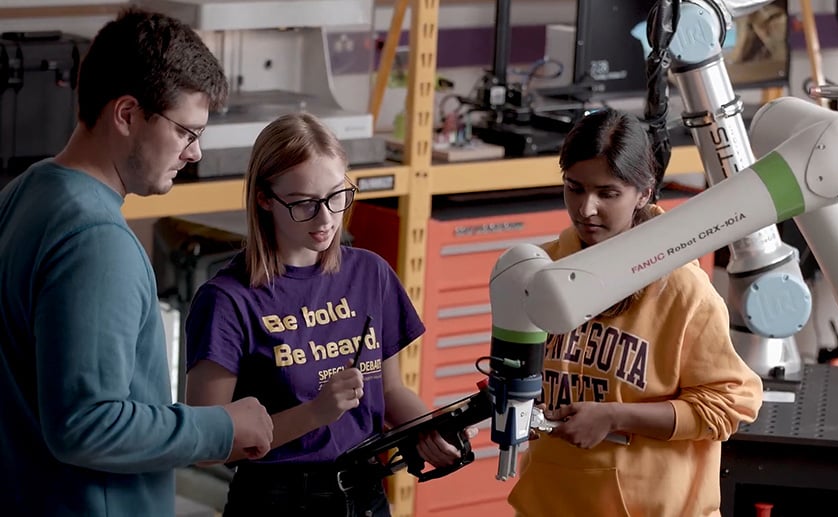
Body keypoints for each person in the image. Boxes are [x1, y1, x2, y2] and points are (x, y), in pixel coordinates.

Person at [0, 8, 275, 516]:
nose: (194, 153)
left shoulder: (27, 190)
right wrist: (222, 428)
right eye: (186, 132)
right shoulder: (97, 241)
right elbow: (86, 425)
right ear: (127, 114)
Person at [184, 112, 472, 516]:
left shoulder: (370, 273)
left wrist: (431, 428)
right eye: (305, 204)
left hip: (366, 494)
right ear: (265, 198)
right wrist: (315, 414)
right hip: (277, 501)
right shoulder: (227, 301)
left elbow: (389, 392)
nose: (326, 220)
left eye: (337, 196)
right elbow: (204, 446)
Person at [507, 109, 764, 517]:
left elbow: (730, 405)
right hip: (548, 504)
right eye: (574, 188)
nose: (586, 209)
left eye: (607, 194)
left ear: (644, 193)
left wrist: (615, 416)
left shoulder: (683, 289)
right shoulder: (538, 270)